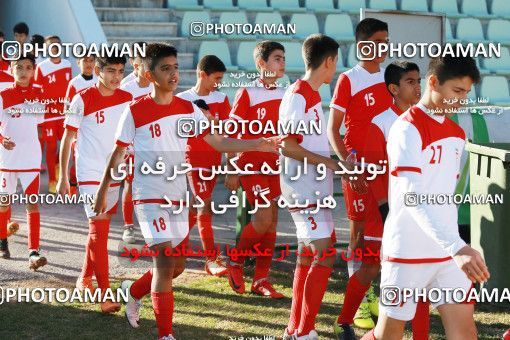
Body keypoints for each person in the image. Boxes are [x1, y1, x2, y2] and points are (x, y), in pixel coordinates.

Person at [93, 42, 280, 339]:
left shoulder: (188, 109)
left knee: (175, 267)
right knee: (166, 261)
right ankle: (165, 334)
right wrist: (104, 190)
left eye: (176, 67)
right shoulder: (135, 111)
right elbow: (116, 154)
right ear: (150, 74)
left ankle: (134, 291)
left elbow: (218, 142)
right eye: (165, 68)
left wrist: (256, 144)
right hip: (148, 195)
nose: (173, 73)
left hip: (179, 196)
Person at [361, 55, 490, 340]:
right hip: (408, 250)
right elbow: (412, 196)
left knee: (465, 332)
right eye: (457, 91)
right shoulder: (406, 128)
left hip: (447, 252)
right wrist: (457, 246)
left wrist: (455, 246)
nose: (462, 100)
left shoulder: (457, 133)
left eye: (467, 93)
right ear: (433, 82)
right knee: (388, 334)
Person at [334, 61, 427, 339]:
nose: (417, 86)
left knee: (419, 273)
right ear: (393, 89)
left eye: (418, 80)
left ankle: (422, 336)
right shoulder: (381, 123)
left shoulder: (425, 120)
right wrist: (388, 211)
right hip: (385, 211)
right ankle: (344, 322)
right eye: (410, 81)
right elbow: (374, 174)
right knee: (371, 267)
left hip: (415, 211)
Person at [280, 34, 364, 339]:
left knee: (309, 253)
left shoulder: (311, 94)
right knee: (324, 253)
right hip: (303, 188)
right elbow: (287, 146)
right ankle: (304, 331)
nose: (336, 71)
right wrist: (330, 163)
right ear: (328, 62)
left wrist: (334, 162)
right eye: (335, 64)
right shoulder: (298, 94)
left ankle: (295, 329)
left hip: (314, 188)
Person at [328, 18, 393, 331]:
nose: (384, 47)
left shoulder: (389, 78)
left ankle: (374, 294)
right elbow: (333, 130)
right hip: (358, 170)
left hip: (385, 170)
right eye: (379, 41)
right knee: (357, 237)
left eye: (387, 41)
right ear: (363, 44)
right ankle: (360, 301)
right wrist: (347, 164)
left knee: (381, 237)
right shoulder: (348, 79)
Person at [57, 55, 132, 313]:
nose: (116, 77)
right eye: (111, 71)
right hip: (89, 174)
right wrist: (64, 177)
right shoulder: (81, 98)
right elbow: (67, 139)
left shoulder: (126, 100)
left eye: (120, 71)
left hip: (114, 173)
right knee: (99, 233)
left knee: (98, 232)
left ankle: (84, 279)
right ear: (98, 70)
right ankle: (104, 294)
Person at [224, 41, 287, 296]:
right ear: (261, 63)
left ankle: (261, 280)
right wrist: (232, 167)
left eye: (283, 58)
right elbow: (231, 131)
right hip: (252, 164)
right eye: (276, 58)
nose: (282, 63)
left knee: (272, 224)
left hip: (276, 165)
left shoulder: (285, 93)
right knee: (261, 220)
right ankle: (235, 260)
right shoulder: (247, 92)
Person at [176, 54, 231, 276]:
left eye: (221, 79)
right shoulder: (182, 99)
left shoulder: (222, 98)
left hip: (213, 161)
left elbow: (228, 131)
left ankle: (176, 247)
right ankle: (210, 260)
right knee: (204, 205)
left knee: (196, 209)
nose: (218, 83)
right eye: (215, 78)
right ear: (202, 74)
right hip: (193, 159)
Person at [0, 52, 47, 270]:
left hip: (30, 158)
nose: (24, 71)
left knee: (33, 204)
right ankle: (2, 240)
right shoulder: (3, 95)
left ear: (34, 70)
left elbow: (37, 125)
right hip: (6, 159)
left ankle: (33, 251)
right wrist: (3, 139)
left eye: (28, 67)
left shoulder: (39, 96)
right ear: (11, 69)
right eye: (19, 67)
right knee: (3, 204)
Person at [119, 42, 152, 244]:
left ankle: (150, 227)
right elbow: (121, 119)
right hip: (132, 145)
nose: (147, 65)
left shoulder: (157, 82)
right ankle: (128, 227)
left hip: (152, 144)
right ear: (134, 63)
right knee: (130, 185)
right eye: (142, 62)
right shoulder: (126, 88)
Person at [34, 35, 72, 193]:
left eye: (56, 45)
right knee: (50, 147)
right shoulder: (41, 67)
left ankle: (58, 166)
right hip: (48, 114)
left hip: (64, 114)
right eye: (50, 45)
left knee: (65, 146)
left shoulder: (67, 64)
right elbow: (36, 93)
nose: (54, 48)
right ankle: (51, 180)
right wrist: (38, 120)